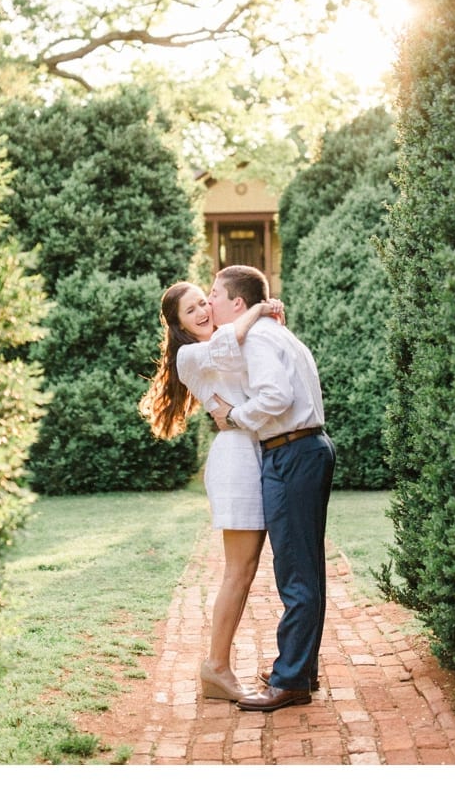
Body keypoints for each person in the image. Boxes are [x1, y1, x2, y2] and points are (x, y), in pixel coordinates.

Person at [140, 281, 284, 702]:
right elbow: (232, 338)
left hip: (254, 452)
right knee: (238, 572)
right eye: (191, 310)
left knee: (247, 569)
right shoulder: (189, 355)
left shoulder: (223, 340)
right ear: (178, 326)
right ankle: (216, 667)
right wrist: (258, 309)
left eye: (204, 301)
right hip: (236, 461)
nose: (203, 310)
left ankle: (217, 666)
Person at [206, 264, 334, 713]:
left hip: (291, 452)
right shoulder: (275, 333)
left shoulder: (259, 338)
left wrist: (234, 417)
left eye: (215, 294)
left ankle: (291, 680)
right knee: (305, 569)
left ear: (237, 302)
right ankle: (301, 668)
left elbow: (275, 396)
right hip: (303, 449)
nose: (209, 302)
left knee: (295, 572)